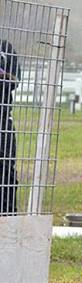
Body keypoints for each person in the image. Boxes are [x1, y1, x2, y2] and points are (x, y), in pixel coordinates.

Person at [0, 39, 20, 215]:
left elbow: (15, 81)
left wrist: (3, 74)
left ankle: (8, 216)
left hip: (2, 121)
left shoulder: (5, 49)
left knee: (6, 171)